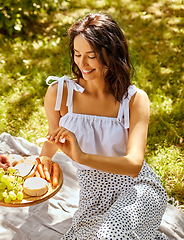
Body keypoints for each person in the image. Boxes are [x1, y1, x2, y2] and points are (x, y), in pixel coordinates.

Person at [40, 13, 169, 239]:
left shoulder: (135, 99)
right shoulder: (58, 93)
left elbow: (134, 165)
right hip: (93, 195)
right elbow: (54, 137)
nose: (82, 64)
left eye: (92, 56)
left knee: (110, 235)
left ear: (112, 53)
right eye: (77, 54)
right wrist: (42, 162)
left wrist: (81, 157)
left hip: (138, 187)